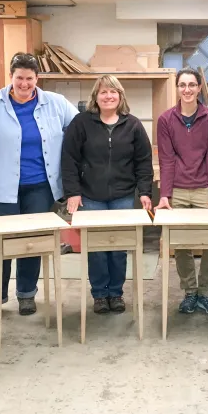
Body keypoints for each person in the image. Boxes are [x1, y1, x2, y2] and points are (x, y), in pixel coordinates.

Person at [0, 52, 78, 323]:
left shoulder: (55, 103)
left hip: (40, 186)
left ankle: (26, 294)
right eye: (19, 78)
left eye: (30, 79)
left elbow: (77, 126)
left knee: (31, 244)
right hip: (0, 186)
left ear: (37, 78)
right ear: (11, 77)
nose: (24, 84)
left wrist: (67, 155)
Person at [62, 75, 154, 315]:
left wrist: (145, 192)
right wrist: (72, 192)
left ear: (120, 96)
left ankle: (116, 292)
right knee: (96, 249)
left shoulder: (132, 125)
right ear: (96, 96)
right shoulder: (81, 123)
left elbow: (144, 162)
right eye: (103, 92)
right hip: (91, 197)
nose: (108, 96)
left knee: (118, 248)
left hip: (123, 196)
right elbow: (69, 159)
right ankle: (100, 294)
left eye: (113, 92)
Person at [156, 68, 208, 316]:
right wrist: (165, 194)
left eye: (191, 85)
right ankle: (190, 292)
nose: (187, 89)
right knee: (180, 243)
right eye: (182, 85)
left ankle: (206, 292)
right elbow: (166, 158)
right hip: (177, 190)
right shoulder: (165, 120)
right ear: (177, 88)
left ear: (199, 87)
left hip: (204, 188)